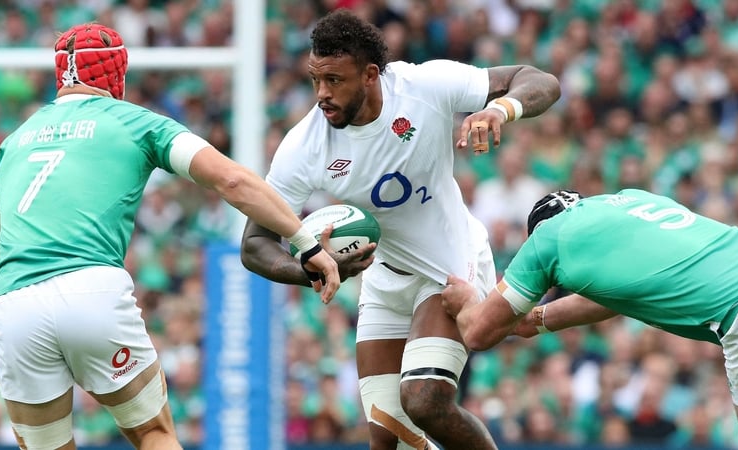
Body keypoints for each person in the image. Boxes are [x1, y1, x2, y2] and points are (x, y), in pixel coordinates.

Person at [0, 23, 340, 450]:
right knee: (152, 433)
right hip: (89, 289)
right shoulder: (136, 122)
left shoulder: (16, 141)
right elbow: (231, 180)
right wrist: (306, 242)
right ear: (117, 73)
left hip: (13, 302)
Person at [240, 8, 561, 450]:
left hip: (450, 267)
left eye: (334, 80)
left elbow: (539, 80)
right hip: (385, 281)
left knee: (423, 401)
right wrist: (312, 267)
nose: (322, 94)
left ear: (370, 74)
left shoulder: (423, 86)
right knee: (387, 441)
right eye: (315, 79)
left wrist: (500, 110)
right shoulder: (305, 145)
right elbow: (254, 243)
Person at [441, 188, 738, 450]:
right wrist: (536, 321)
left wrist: (467, 301)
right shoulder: (631, 198)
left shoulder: (546, 238)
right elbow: (615, 296)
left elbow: (479, 333)